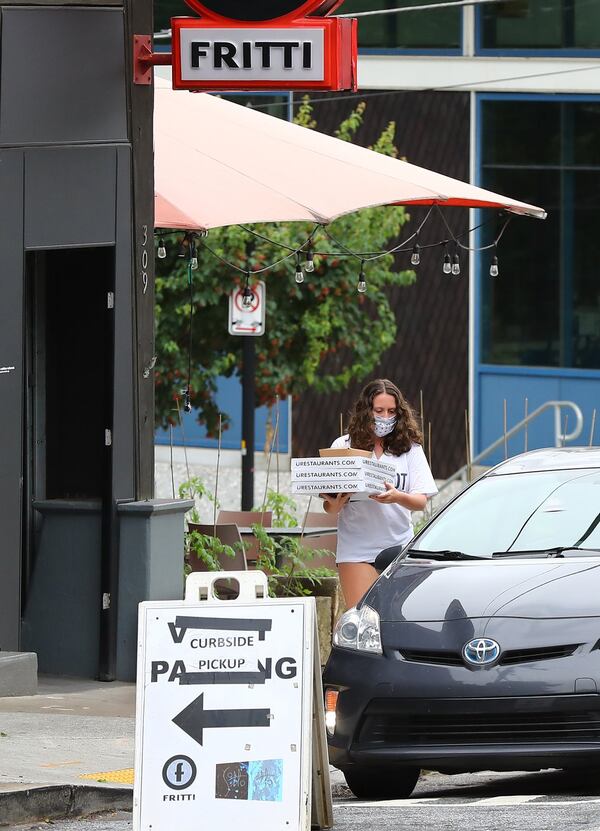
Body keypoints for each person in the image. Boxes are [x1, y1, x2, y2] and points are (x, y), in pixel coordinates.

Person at [321, 378, 437, 608]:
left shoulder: (410, 449)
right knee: (362, 617)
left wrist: (397, 497)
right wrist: (335, 503)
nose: (385, 417)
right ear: (367, 411)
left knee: (393, 618)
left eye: (391, 411)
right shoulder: (343, 445)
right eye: (379, 411)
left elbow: (420, 501)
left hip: (397, 546)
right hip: (356, 548)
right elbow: (329, 507)